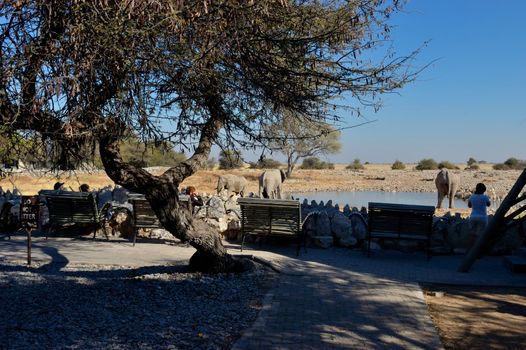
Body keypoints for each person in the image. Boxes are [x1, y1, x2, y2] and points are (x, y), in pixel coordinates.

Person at [467, 182, 491, 248]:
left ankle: (470, 249)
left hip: (473, 217)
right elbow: (489, 204)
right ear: (484, 190)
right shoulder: (485, 197)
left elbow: (469, 206)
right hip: (483, 217)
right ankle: (479, 249)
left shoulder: (472, 196)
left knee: (472, 234)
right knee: (481, 234)